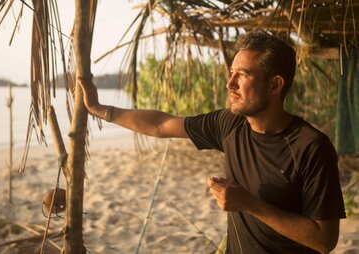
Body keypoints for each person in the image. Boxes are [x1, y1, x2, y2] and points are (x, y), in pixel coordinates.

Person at [78, 30, 346, 254]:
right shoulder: (229, 125)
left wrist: (250, 204)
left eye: (243, 75)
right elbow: (161, 124)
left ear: (275, 85)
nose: (230, 83)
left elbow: (324, 240)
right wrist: (100, 109)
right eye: (232, 72)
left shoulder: (311, 147)